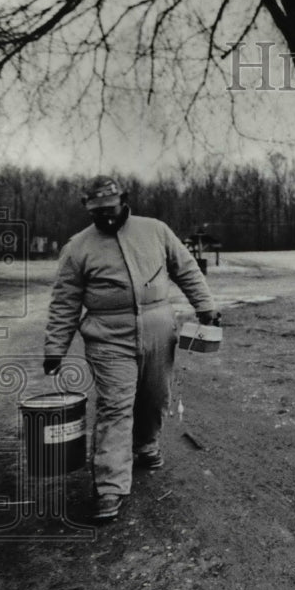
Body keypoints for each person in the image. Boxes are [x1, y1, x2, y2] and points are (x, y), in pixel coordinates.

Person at [44, 176, 216, 520]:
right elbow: (65, 301)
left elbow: (186, 269)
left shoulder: (155, 230)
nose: (106, 217)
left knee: (154, 395)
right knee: (116, 406)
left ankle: (147, 445)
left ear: (124, 200)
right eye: (98, 212)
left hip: (157, 327)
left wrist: (206, 306)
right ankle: (109, 486)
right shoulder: (79, 247)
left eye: (111, 209)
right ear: (89, 211)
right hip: (108, 335)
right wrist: (55, 348)